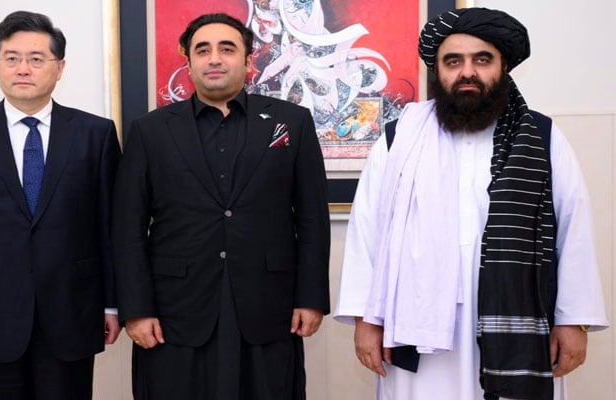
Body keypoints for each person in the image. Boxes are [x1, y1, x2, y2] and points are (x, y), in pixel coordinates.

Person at [334, 7, 608, 400]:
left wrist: (573, 321)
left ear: (503, 67)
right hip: (415, 317)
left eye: (482, 60)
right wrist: (366, 319)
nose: (467, 72)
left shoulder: (542, 136)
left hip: (517, 313)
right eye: (453, 61)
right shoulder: (399, 137)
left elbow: (573, 229)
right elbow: (367, 230)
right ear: (438, 71)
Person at [112, 12, 330, 400]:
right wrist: (136, 309)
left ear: (248, 62)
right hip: (174, 312)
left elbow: (313, 218)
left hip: (268, 306)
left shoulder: (291, 123)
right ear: (189, 63)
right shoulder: (149, 130)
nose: (214, 58)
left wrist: (310, 297)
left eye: (227, 49)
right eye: (203, 50)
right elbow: (127, 227)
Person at [0, 10, 121, 400]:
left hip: (73, 307)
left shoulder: (95, 134)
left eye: (37, 59)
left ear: (59, 67)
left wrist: (113, 304)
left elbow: (110, 228)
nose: (23, 69)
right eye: (11, 57)